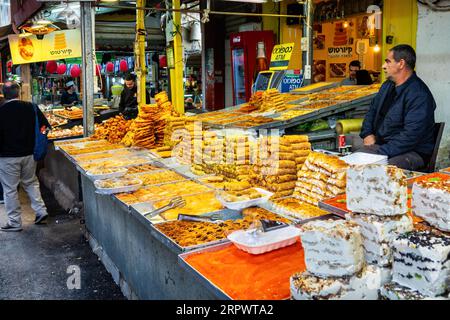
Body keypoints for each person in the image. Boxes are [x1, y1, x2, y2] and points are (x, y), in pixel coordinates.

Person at [357, 44, 436, 171]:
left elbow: (410, 136)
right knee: (351, 162)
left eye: (388, 62)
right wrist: (367, 133)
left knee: (377, 170)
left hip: (412, 152)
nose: (383, 66)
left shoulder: (419, 94)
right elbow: (371, 112)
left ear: (401, 64)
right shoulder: (387, 86)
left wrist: (380, 153)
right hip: (384, 146)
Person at [0, 81, 50, 232]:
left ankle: (14, 222)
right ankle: (41, 211)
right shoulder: (31, 107)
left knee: (10, 189)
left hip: (7, 157)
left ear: (3, 94)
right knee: (31, 182)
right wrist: (38, 140)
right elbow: (44, 127)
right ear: (19, 92)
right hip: (29, 154)